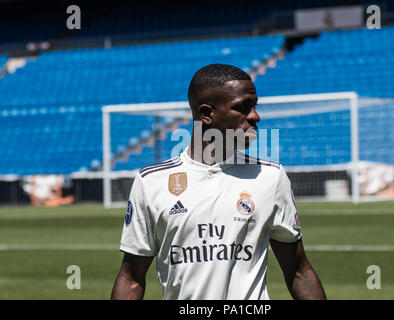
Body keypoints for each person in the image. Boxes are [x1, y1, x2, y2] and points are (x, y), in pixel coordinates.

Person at [111, 64, 326, 300]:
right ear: (207, 114)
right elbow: (131, 278)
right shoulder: (152, 182)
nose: (255, 116)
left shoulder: (270, 177)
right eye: (242, 108)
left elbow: (299, 271)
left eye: (254, 106)